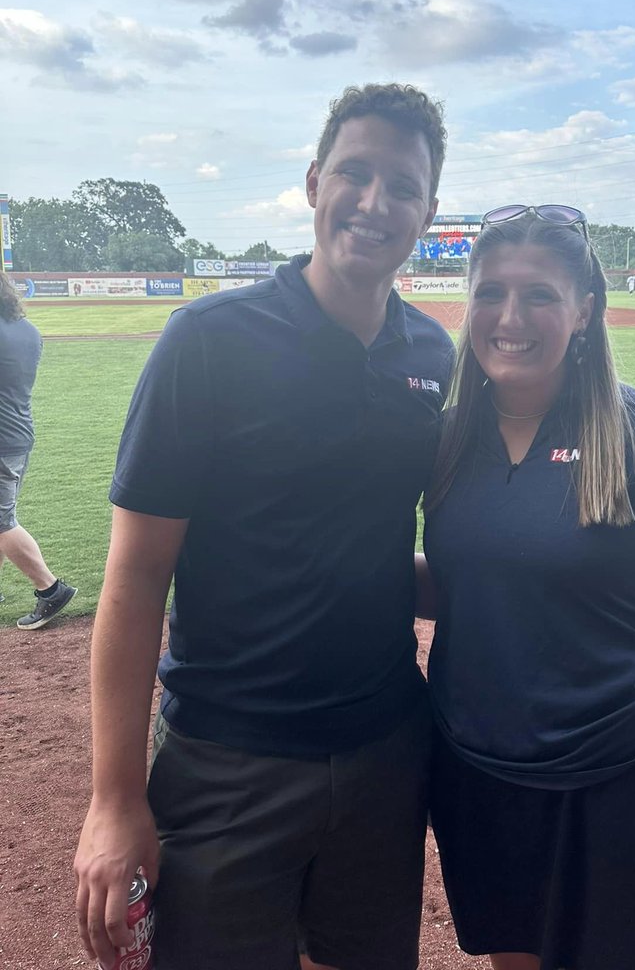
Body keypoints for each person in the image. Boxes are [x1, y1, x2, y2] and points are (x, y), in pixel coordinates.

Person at [74, 84, 455, 970]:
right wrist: (115, 799)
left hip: (384, 749)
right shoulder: (209, 341)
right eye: (355, 173)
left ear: (428, 212)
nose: (375, 202)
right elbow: (136, 578)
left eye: (403, 186)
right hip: (227, 758)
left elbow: (381, 543)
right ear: (315, 182)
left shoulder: (432, 355)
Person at [420, 205, 635, 970]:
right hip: (481, 781)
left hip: (627, 782)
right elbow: (478, 582)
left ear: (584, 310)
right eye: (491, 292)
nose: (510, 317)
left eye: (539, 294)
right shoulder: (442, 438)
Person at [0, 272, 77, 628]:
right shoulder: (28, 331)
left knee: (3, 521)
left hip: (3, 439)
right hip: (18, 434)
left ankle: (51, 590)